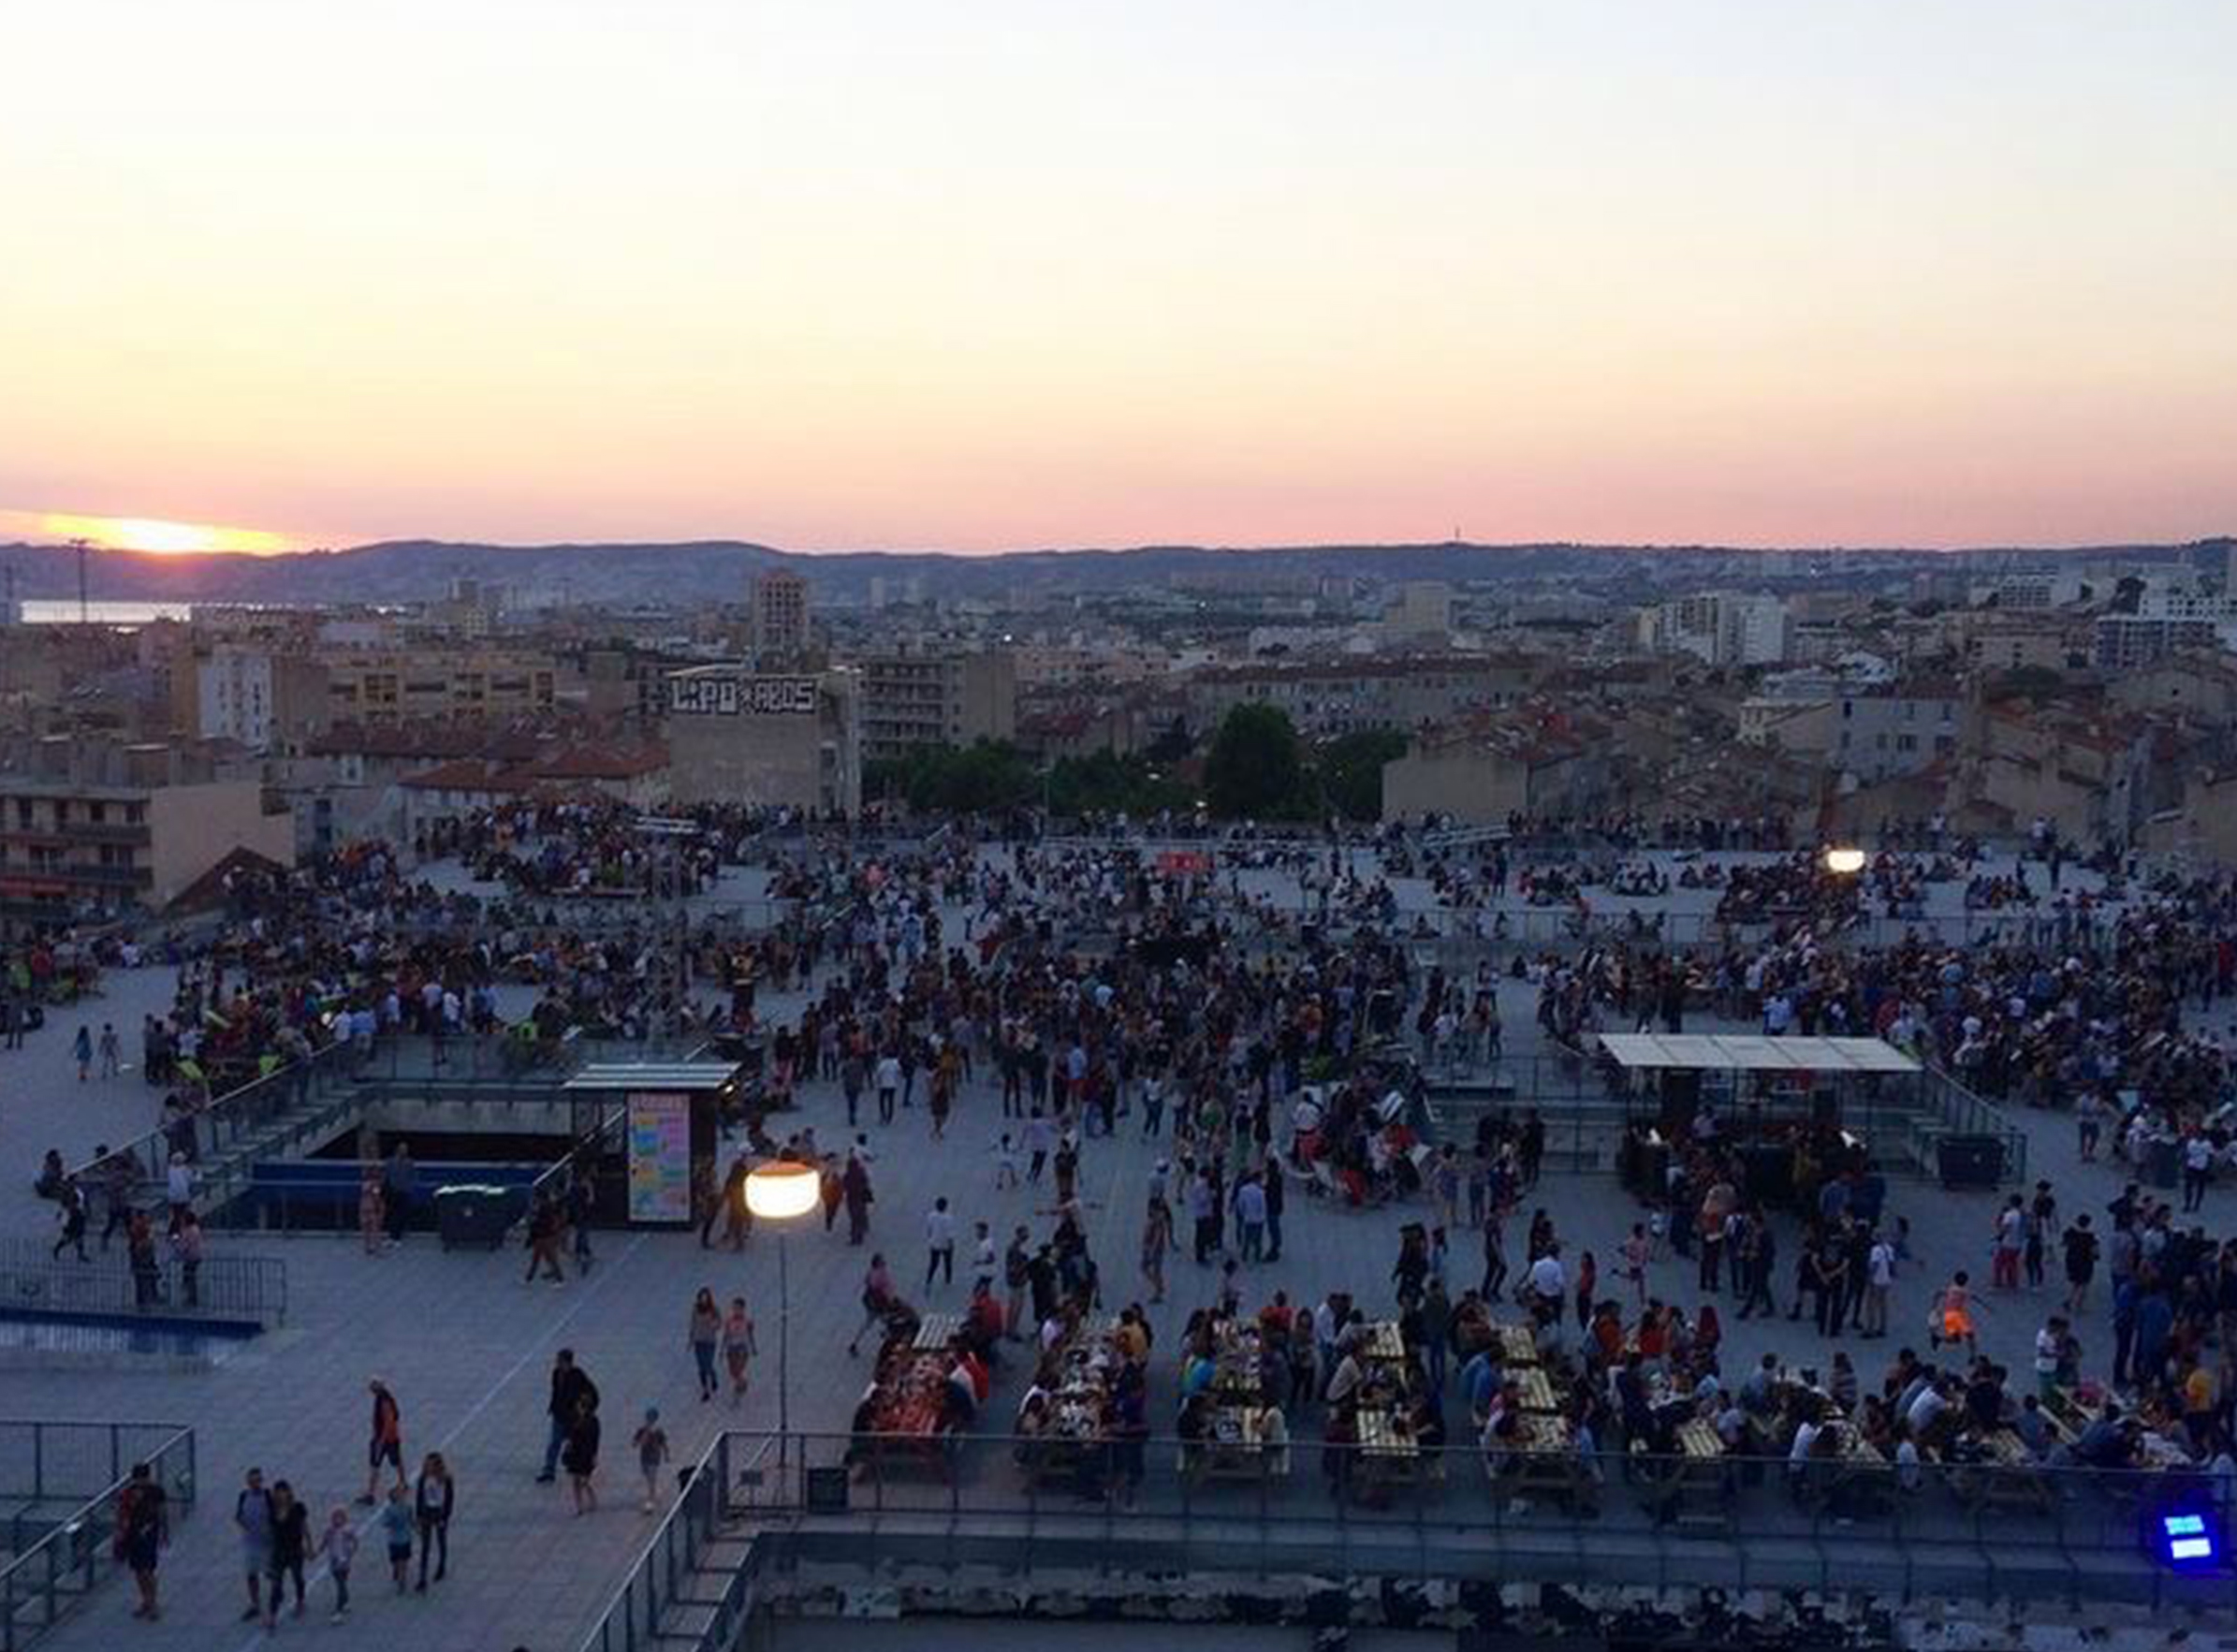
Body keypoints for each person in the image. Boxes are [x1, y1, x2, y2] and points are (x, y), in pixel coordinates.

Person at [115, 1461, 169, 1621]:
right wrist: (120, 1532)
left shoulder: (156, 1491)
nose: (139, 1482)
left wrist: (164, 1532)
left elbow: (162, 1512)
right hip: (133, 1535)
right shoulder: (128, 1492)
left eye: (142, 1478)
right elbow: (122, 1512)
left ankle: (153, 1603)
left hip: (149, 1533)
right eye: (137, 1479)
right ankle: (145, 1600)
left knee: (147, 1570)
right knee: (138, 1570)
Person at [539, 1350, 599, 1483]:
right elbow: (556, 1392)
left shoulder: (577, 1375)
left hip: (572, 1417)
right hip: (559, 1414)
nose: (557, 1363)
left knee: (577, 1442)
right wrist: (553, 1406)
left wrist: (588, 1409)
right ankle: (549, 1470)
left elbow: (592, 1392)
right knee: (555, 1442)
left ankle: (582, 1466)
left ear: (567, 1362)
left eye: (560, 1361)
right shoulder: (556, 1374)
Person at [265, 1479, 310, 1626]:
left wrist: (309, 1546)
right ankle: (272, 1615)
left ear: (289, 1492)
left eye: (283, 1492)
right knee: (276, 1584)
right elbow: (271, 1532)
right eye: (278, 1492)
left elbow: (304, 1527)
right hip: (279, 1551)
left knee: (298, 1577)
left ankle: (300, 1600)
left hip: (295, 1549)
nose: (281, 1495)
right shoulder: (272, 1510)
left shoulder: (298, 1507)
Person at [235, 1466, 275, 1622]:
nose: (255, 1484)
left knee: (270, 1574)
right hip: (250, 1542)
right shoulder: (244, 1496)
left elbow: (275, 1516)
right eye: (252, 1481)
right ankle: (255, 1604)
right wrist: (246, 1527)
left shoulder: (267, 1496)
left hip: (267, 1543)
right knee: (251, 1574)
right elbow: (238, 1516)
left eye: (258, 1480)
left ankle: (274, 1600)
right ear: (248, 1482)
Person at [414, 1452, 454, 1590]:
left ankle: (441, 1566)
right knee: (425, 1545)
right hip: (427, 1512)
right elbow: (419, 1497)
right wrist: (418, 1516)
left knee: (441, 1540)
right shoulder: (423, 1478)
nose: (427, 1467)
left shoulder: (446, 1479)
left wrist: (445, 1517)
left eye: (430, 1465)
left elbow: (449, 1500)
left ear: (437, 1466)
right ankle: (422, 1578)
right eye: (426, 1464)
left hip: (439, 1511)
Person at [363, 1379, 405, 1504]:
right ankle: (402, 1482)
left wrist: (381, 1440)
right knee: (395, 1461)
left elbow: (389, 1421)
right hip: (390, 1437)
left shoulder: (384, 1401)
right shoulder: (386, 1398)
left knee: (376, 1464)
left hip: (385, 1438)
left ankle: (371, 1493)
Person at [313, 1507, 357, 1623]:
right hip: (335, 1561)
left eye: (340, 1517)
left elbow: (355, 1541)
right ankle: (339, 1608)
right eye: (335, 1517)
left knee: (343, 1582)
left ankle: (345, 1600)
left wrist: (352, 1551)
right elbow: (324, 1543)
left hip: (345, 1561)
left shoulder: (348, 1530)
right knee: (340, 1583)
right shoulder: (329, 1531)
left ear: (344, 1519)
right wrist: (316, 1553)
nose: (337, 1520)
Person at [563, 1396, 602, 1514]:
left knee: (585, 1481)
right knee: (575, 1480)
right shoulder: (574, 1419)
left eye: (580, 1405)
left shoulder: (593, 1421)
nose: (577, 1407)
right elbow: (569, 1434)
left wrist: (595, 1455)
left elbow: (595, 1439)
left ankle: (592, 1499)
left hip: (586, 1454)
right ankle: (579, 1506)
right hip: (575, 1452)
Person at [634, 1407, 671, 1513]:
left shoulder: (659, 1431)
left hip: (654, 1457)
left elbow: (664, 1443)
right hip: (644, 1457)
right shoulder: (642, 1430)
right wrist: (645, 1433)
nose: (649, 1420)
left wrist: (667, 1455)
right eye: (648, 1418)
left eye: (651, 1418)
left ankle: (651, 1498)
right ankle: (652, 1492)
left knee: (652, 1478)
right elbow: (636, 1444)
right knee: (647, 1475)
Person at [723, 1296, 757, 1408]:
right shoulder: (729, 1321)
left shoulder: (747, 1321)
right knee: (732, 1372)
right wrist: (722, 1349)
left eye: (738, 1308)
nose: (736, 1310)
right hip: (731, 1348)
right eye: (734, 1307)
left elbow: (751, 1336)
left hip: (742, 1348)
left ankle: (736, 1397)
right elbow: (726, 1335)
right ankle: (742, 1383)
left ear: (743, 1309)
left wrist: (753, 1348)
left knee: (738, 1371)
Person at [690, 1287, 723, 1401]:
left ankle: (713, 1378)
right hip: (699, 1341)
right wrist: (691, 1339)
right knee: (701, 1367)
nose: (703, 1300)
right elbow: (693, 1324)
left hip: (710, 1341)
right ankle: (705, 1390)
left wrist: (713, 1324)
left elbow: (719, 1323)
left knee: (708, 1364)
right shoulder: (695, 1309)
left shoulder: (714, 1309)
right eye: (701, 1298)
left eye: (705, 1298)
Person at [379, 1484, 414, 1592]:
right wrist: (391, 1521)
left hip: (405, 1538)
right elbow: (385, 1523)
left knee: (404, 1561)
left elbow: (411, 1520)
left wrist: (417, 1529)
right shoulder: (389, 1509)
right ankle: (396, 1570)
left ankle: (402, 1582)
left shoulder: (408, 1507)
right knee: (395, 1560)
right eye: (398, 1494)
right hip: (394, 1539)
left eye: (402, 1494)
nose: (401, 1496)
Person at [925, 1196, 956, 1292]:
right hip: (945, 1244)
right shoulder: (949, 1218)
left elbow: (929, 1229)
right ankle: (948, 1279)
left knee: (933, 1263)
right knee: (948, 1263)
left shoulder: (930, 1215)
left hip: (934, 1243)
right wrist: (952, 1245)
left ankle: (929, 1279)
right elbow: (950, 1234)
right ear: (946, 1207)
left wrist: (930, 1238)